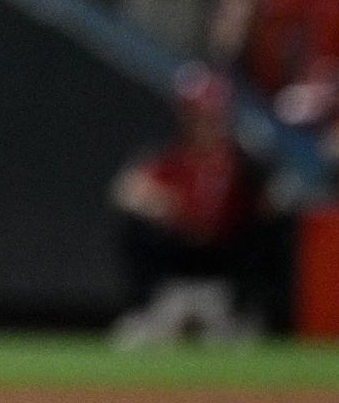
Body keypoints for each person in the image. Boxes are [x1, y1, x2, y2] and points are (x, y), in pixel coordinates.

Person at [107, 66, 270, 346]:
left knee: (269, 231)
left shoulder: (243, 163)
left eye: (210, 116)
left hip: (225, 255)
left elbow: (268, 201)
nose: (203, 123)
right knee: (134, 228)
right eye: (196, 116)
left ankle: (244, 313)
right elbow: (125, 190)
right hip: (179, 252)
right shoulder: (173, 158)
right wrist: (160, 203)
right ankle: (145, 310)